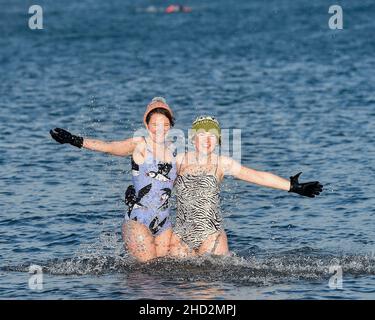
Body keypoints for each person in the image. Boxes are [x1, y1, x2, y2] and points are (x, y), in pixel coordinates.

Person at [169, 116, 323, 258]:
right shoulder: (179, 160)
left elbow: (257, 176)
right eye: (202, 134)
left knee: (211, 282)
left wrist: (293, 187)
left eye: (212, 136)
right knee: (178, 285)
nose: (207, 140)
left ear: (218, 141)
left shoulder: (223, 163)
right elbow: (157, 186)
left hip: (212, 234)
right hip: (181, 234)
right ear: (193, 138)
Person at [49, 97, 178, 262]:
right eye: (155, 125)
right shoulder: (139, 144)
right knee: (147, 275)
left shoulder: (175, 151)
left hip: (164, 225)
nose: (160, 129)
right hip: (139, 220)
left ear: (171, 126)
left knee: (163, 276)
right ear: (146, 125)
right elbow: (108, 147)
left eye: (165, 125)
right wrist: (75, 140)